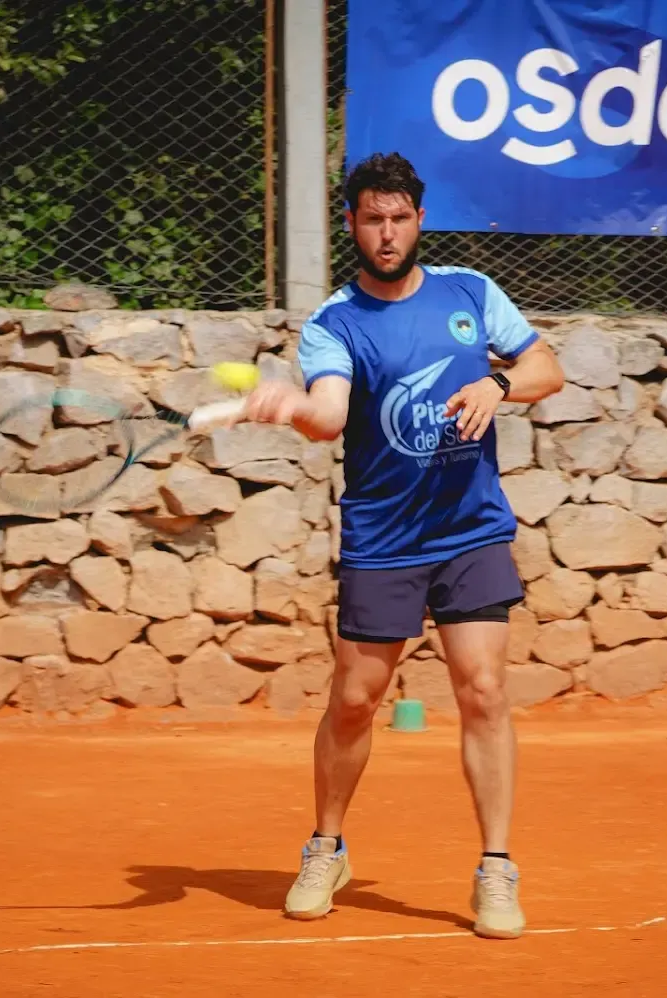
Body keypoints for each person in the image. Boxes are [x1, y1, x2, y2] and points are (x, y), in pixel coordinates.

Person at [238, 151, 565, 940]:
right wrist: (290, 408)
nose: (385, 234)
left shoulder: (470, 293)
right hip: (383, 539)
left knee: (482, 689)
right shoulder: (334, 322)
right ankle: (326, 848)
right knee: (355, 703)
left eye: (398, 218)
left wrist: (497, 383)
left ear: (419, 220)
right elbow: (327, 414)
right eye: (371, 219)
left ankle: (495, 868)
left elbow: (545, 367)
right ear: (350, 224)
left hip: (469, 529)